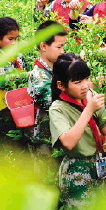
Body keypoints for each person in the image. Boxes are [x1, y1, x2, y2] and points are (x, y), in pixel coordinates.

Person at [49, 53, 106, 209]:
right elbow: (68, 142)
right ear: (61, 85)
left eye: (86, 79)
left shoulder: (90, 96)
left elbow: (105, 128)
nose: (85, 85)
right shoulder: (58, 109)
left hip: (98, 163)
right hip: (76, 169)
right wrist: (88, 110)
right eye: (78, 82)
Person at [27, 21, 68, 154]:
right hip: (44, 140)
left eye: (63, 47)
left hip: (55, 135)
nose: (62, 52)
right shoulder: (39, 75)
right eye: (59, 47)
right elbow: (51, 104)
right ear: (43, 46)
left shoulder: (53, 68)